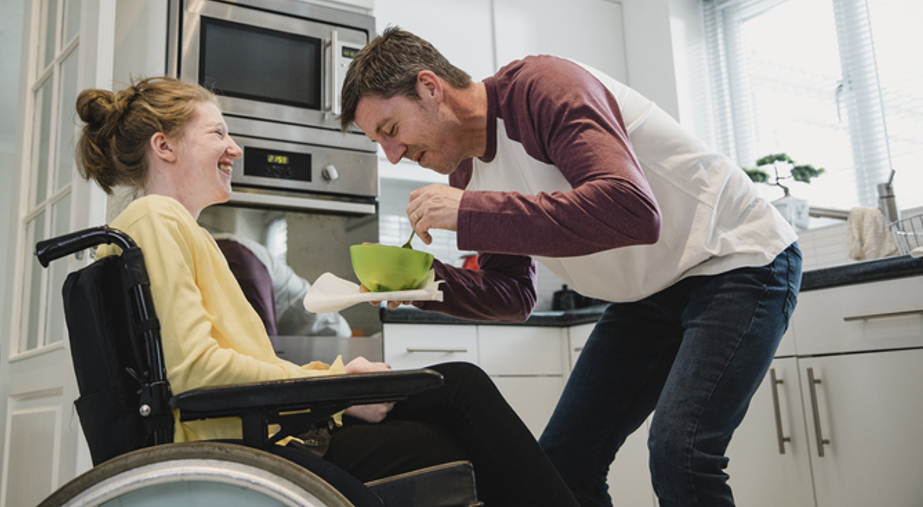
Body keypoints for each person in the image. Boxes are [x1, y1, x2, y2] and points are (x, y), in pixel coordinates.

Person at [338, 27, 803, 507]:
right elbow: (514, 294)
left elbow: (631, 210)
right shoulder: (466, 173)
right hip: (647, 295)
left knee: (680, 452)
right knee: (566, 461)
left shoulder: (543, 88)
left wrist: (472, 212)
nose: (393, 154)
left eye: (390, 131)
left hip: (735, 259)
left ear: (430, 88)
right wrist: (423, 283)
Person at [74, 76, 579, 507]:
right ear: (164, 146)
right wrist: (335, 385)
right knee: (459, 403)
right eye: (218, 133)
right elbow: (197, 374)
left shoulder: (179, 230)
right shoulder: (156, 219)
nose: (235, 148)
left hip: (258, 428)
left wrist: (338, 391)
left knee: (459, 388)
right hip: (244, 447)